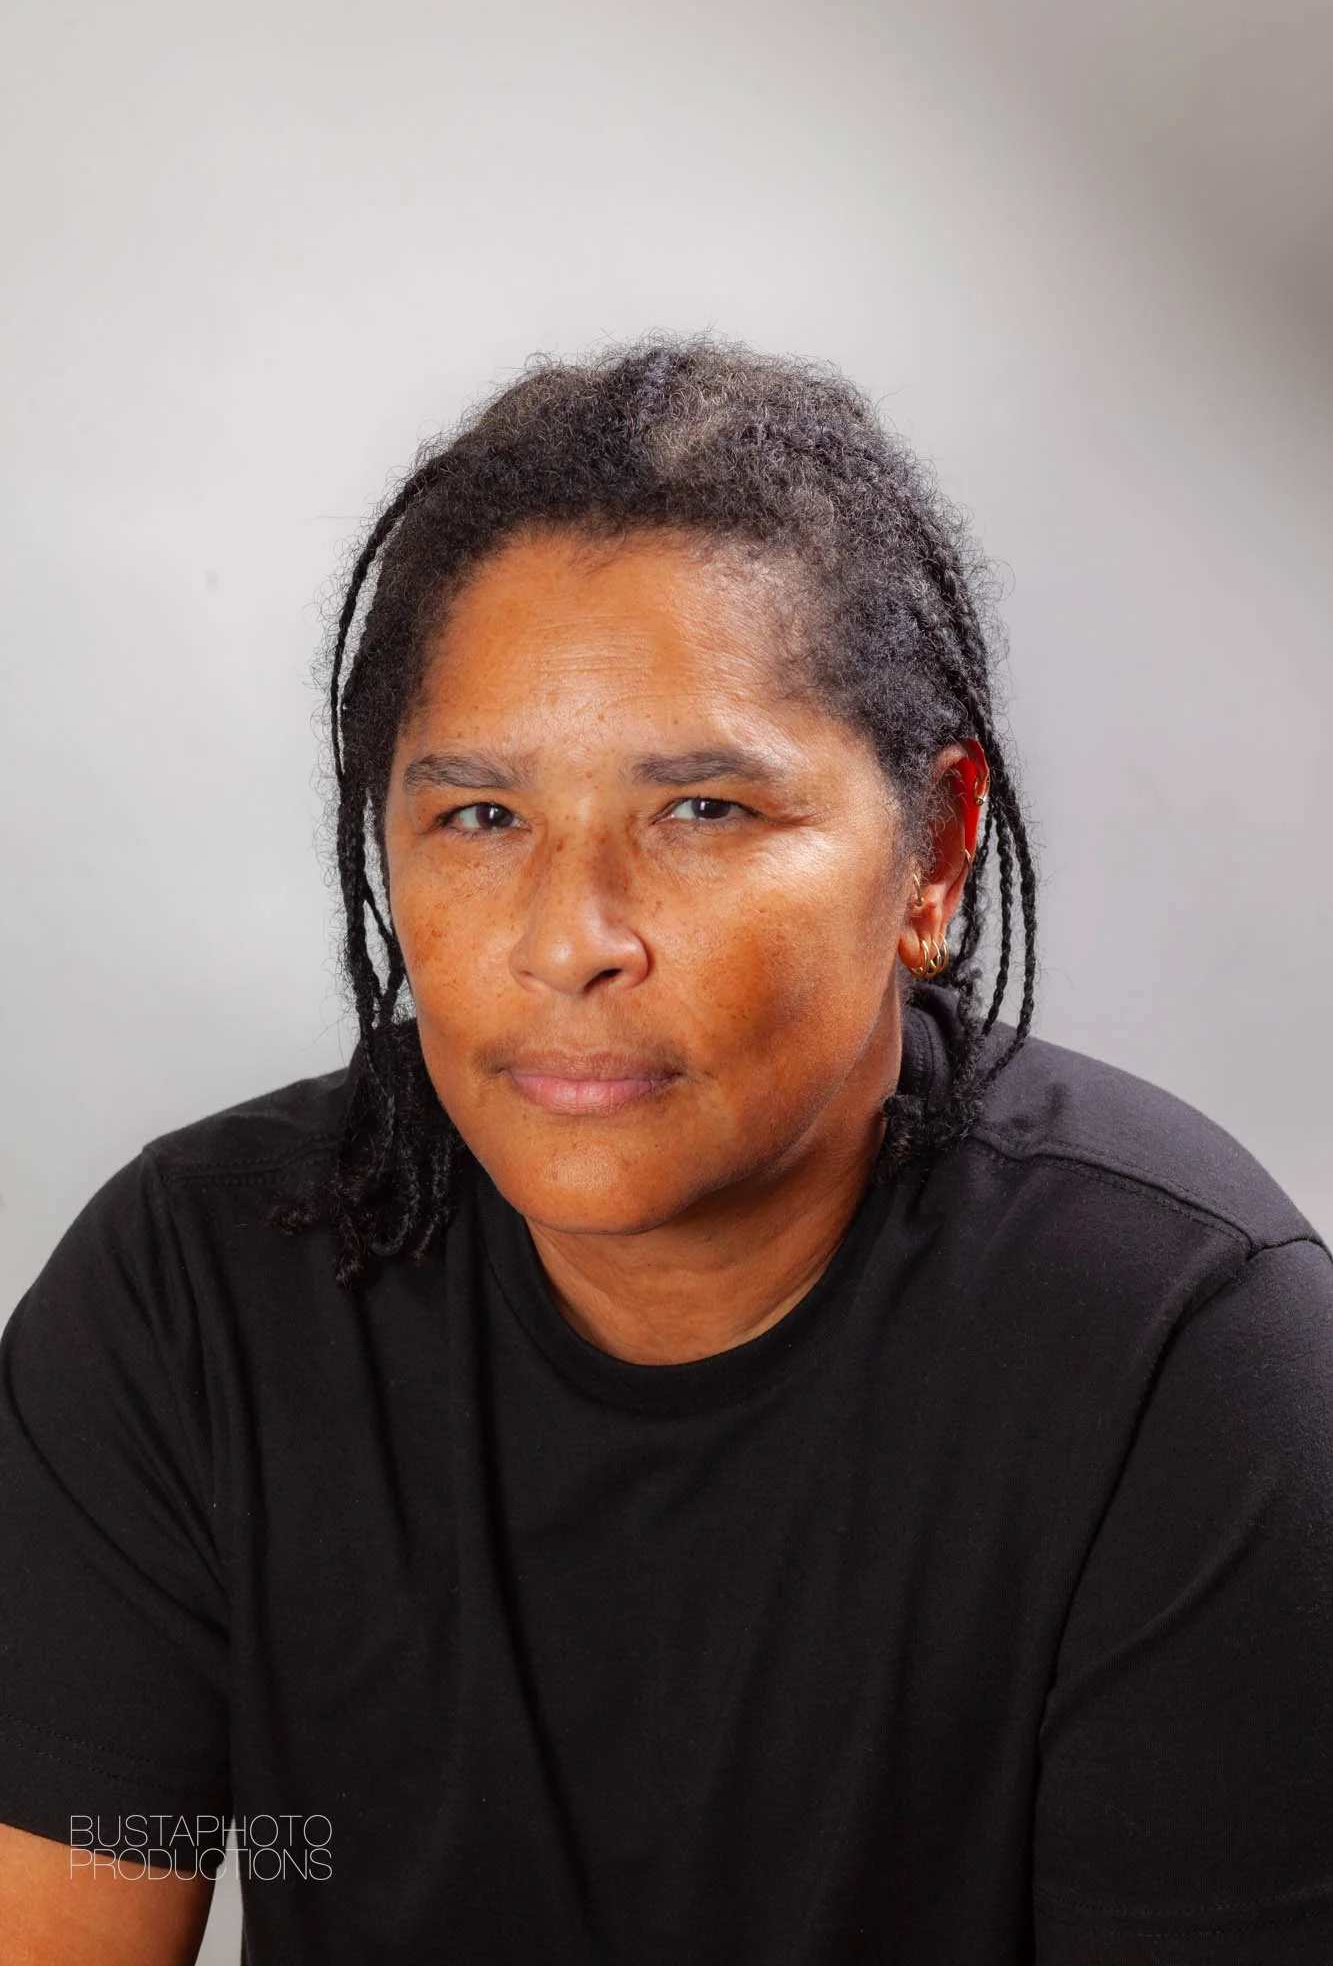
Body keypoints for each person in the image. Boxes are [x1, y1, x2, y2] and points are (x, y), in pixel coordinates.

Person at [1, 339, 1330, 1966]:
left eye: (703, 811)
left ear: (934, 853)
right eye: (481, 817)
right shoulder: (191, 1300)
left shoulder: (1191, 1360)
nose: (571, 940)